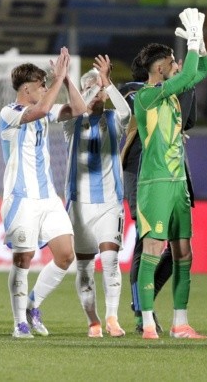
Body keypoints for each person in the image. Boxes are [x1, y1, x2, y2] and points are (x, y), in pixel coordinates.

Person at [133, 8, 207, 340]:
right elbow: (187, 73)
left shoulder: (171, 95)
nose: (178, 67)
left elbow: (201, 69)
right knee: (153, 248)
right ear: (161, 68)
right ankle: (148, 322)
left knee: (184, 253)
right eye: (173, 64)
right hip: (155, 184)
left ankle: (180, 323)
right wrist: (191, 40)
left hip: (178, 184)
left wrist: (201, 43)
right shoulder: (147, 96)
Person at [0, 47, 87, 339]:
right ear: (26, 89)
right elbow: (42, 109)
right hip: (20, 198)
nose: (46, 89)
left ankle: (32, 304)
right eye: (42, 85)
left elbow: (78, 110)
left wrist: (66, 81)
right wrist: (58, 77)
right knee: (22, 260)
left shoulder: (43, 112)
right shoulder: (9, 113)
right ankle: (18, 323)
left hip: (47, 197)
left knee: (65, 255)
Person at [122, 73, 197, 336]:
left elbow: (188, 122)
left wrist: (188, 83)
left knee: (178, 251)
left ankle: (152, 305)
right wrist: (106, 87)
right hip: (144, 174)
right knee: (147, 245)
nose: (176, 68)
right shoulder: (138, 93)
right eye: (170, 65)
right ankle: (143, 314)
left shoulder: (177, 92)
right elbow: (123, 111)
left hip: (175, 175)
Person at [63, 56, 130, 338]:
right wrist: (79, 85)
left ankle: (113, 317)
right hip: (80, 207)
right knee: (85, 269)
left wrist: (108, 82)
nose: (99, 93)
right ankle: (93, 320)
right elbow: (76, 106)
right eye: (92, 89)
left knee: (111, 261)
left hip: (110, 203)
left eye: (100, 89)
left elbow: (126, 111)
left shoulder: (116, 120)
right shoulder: (72, 124)